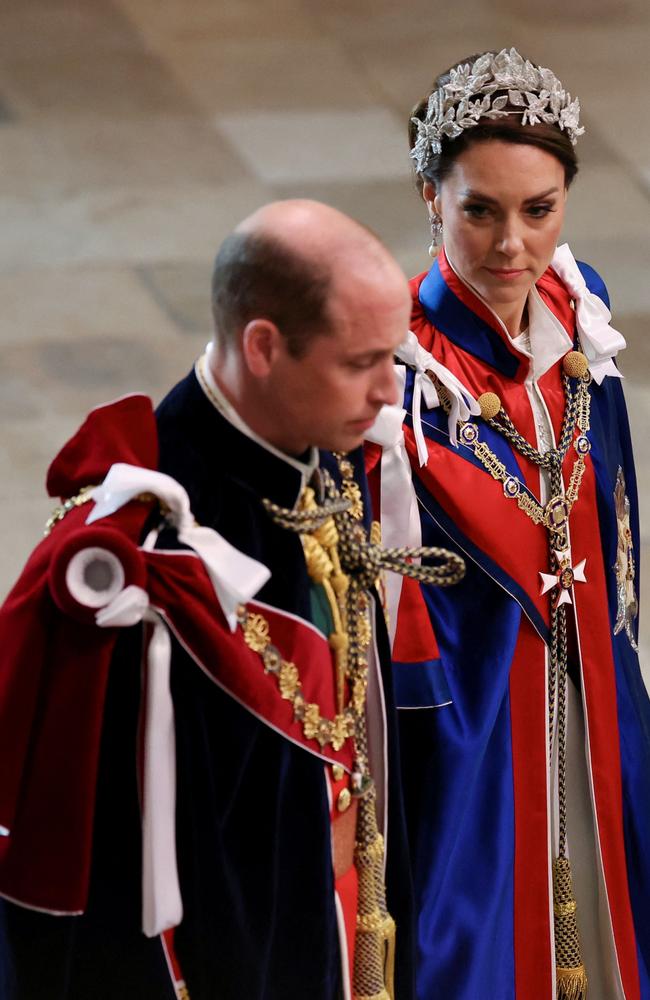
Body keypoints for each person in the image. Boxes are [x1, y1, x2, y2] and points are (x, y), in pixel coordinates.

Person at [0, 200, 438, 1000]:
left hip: (346, 913)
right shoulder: (147, 564)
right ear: (264, 346)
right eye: (361, 361)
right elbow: (120, 879)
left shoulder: (322, 449)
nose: (389, 392)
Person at [366, 49, 650, 1000]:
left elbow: (617, 522)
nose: (510, 247)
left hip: (595, 701)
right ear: (428, 195)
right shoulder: (397, 379)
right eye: (478, 208)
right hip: (472, 735)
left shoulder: (582, 319)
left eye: (540, 209)